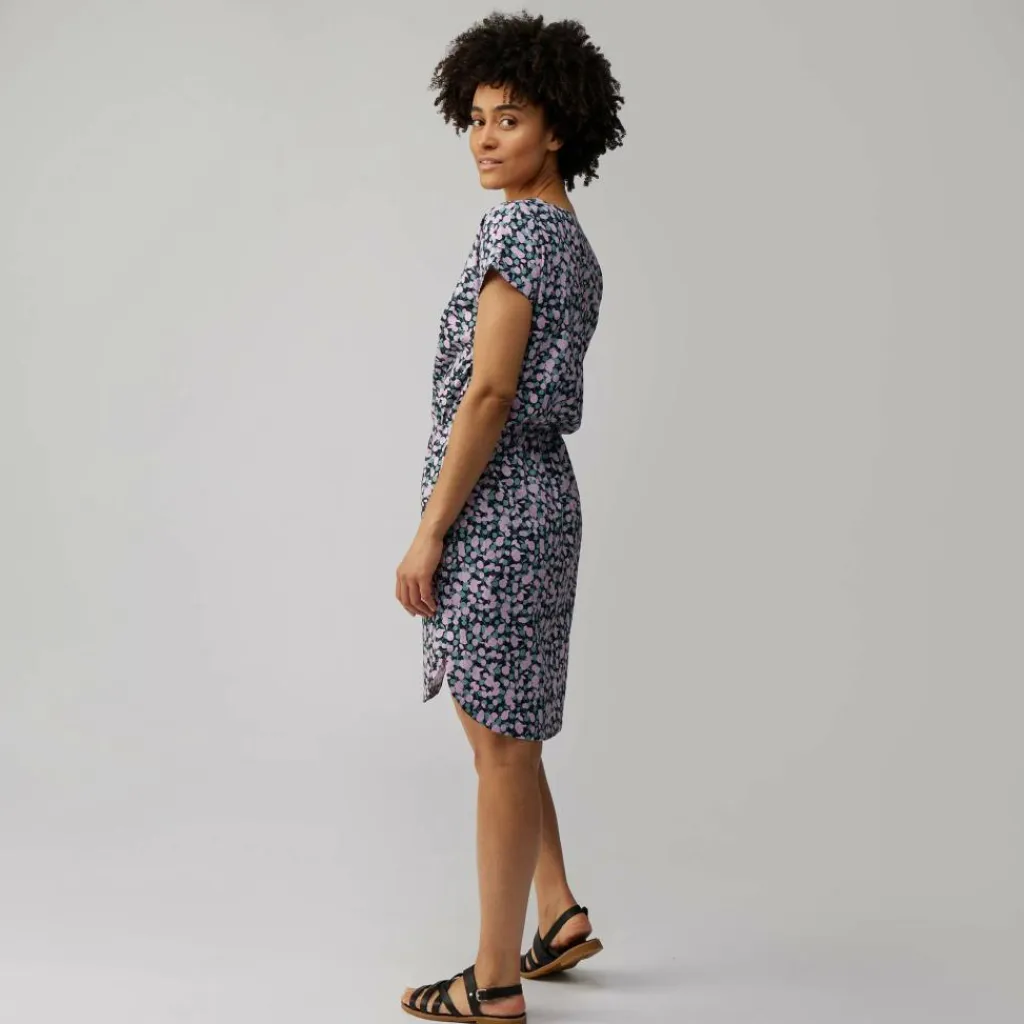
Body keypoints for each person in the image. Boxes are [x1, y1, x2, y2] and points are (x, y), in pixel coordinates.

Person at [394, 11, 626, 1022]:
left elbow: (488, 392)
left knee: (498, 746)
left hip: (496, 507)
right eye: (478, 119)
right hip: (544, 499)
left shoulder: (515, 232)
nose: (486, 139)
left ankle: (491, 982)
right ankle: (557, 907)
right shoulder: (573, 243)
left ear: (557, 128)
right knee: (510, 730)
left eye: (511, 118)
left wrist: (431, 529)